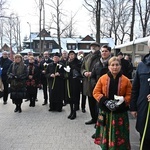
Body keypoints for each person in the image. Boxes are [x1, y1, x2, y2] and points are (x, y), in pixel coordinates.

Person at [93, 56, 132, 150]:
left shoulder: (126, 80)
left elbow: (130, 95)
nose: (115, 67)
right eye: (112, 65)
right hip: (106, 113)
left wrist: (123, 101)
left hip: (120, 114)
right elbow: (96, 92)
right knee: (106, 134)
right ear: (109, 67)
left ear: (120, 66)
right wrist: (105, 101)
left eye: (117, 65)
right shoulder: (102, 79)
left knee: (120, 136)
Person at [130, 52, 150, 149]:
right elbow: (135, 88)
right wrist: (133, 107)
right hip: (144, 109)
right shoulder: (142, 65)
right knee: (144, 138)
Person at [81, 42, 101, 125]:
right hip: (88, 83)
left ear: (98, 48)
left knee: (98, 104)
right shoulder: (87, 57)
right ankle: (93, 118)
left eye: (95, 46)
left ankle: (99, 121)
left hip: (97, 82)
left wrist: (92, 73)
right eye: (92, 46)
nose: (93, 47)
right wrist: (84, 72)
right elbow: (82, 68)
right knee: (91, 102)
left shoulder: (100, 56)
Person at [64, 50, 82, 120]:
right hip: (69, 81)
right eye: (70, 54)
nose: (71, 56)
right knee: (70, 97)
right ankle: (71, 111)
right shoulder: (67, 62)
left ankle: (74, 112)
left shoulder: (78, 62)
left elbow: (80, 70)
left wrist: (74, 67)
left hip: (75, 81)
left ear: (75, 55)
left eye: (72, 54)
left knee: (75, 97)